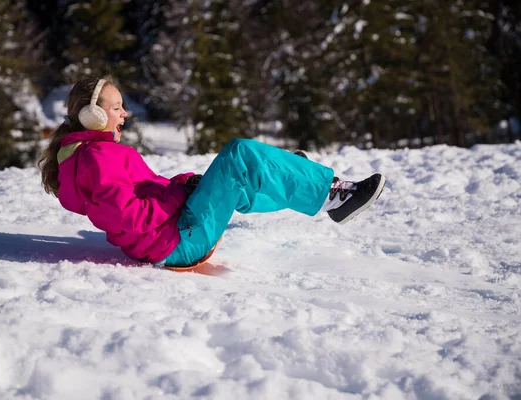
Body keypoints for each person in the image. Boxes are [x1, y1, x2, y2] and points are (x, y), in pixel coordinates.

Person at [39, 77, 386, 268]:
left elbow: (141, 193)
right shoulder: (97, 158)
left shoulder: (90, 155)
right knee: (241, 153)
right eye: (115, 109)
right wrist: (178, 194)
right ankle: (332, 195)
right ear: (92, 117)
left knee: (240, 173)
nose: (124, 114)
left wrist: (181, 185)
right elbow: (129, 216)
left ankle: (285, 173)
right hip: (176, 242)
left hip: (168, 236)